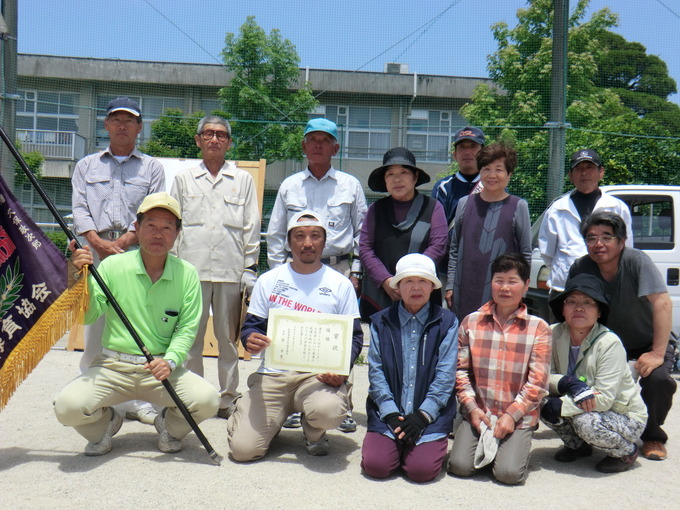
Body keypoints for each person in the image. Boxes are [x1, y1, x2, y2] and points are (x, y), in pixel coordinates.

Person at [54, 192, 220, 456]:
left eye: (167, 227)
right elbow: (86, 316)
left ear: (177, 233)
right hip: (112, 365)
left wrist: (171, 360)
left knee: (208, 401)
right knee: (67, 408)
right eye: (151, 225)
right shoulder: (112, 266)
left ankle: (167, 425)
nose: (158, 233)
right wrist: (77, 279)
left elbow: (187, 328)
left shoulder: (187, 274)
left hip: (160, 368)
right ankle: (107, 423)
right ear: (137, 229)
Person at [228, 211, 364, 461]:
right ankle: (263, 417)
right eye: (299, 236)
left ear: (325, 241)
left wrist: (342, 369)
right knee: (243, 451)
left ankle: (314, 431)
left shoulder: (340, 284)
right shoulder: (269, 280)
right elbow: (252, 327)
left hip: (317, 376)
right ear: (289, 242)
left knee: (328, 411)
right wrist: (250, 339)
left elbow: (354, 338)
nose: (307, 243)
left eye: (315, 236)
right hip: (274, 375)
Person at [267, 118, 366, 433]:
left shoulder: (350, 185)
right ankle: (299, 402)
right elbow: (275, 234)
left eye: (325, 140)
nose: (319, 145)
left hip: (338, 269)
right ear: (304, 146)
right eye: (313, 139)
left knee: (340, 338)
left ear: (335, 147)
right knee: (298, 335)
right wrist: (276, 277)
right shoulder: (290, 185)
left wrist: (357, 272)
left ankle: (341, 402)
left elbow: (363, 233)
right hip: (295, 272)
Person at [71, 96, 165, 425]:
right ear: (106, 124)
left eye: (130, 120)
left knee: (137, 319)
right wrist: (96, 242)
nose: (122, 125)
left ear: (139, 127)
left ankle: (140, 399)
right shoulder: (86, 166)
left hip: (136, 251)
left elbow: (153, 211)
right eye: (116, 119)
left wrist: (124, 241)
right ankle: (95, 391)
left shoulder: (152, 167)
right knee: (96, 321)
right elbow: (80, 209)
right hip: (94, 251)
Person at [171, 115, 260, 420]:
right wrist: (171, 265)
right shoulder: (183, 179)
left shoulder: (243, 180)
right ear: (198, 140)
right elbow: (174, 225)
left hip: (230, 270)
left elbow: (251, 224)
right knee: (190, 337)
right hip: (190, 271)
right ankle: (197, 395)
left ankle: (228, 396)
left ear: (229, 142)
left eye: (221, 135)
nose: (214, 139)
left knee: (228, 339)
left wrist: (250, 267)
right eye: (208, 133)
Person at [568, 210, 676, 461]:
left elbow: (662, 303)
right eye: (591, 238)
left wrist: (658, 353)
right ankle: (582, 435)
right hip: (605, 343)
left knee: (659, 380)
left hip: (648, 340)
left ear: (622, 240)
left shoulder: (637, 261)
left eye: (607, 236)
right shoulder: (581, 266)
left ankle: (653, 436)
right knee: (576, 377)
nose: (599, 243)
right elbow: (574, 307)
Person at [448, 253, 551, 485]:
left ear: (525, 286)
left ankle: (508, 448)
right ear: (491, 283)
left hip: (518, 415)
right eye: (499, 280)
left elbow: (538, 383)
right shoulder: (471, 322)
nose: (505, 288)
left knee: (508, 474)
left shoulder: (539, 328)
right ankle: (489, 446)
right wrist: (472, 409)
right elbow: (460, 372)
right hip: (479, 412)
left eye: (512, 281)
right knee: (460, 466)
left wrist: (511, 416)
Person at [362, 253, 458, 483]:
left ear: (433, 286)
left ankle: (417, 447)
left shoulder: (447, 322)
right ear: (398, 286)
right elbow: (376, 372)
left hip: (429, 416)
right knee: (377, 466)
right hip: (389, 414)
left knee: (421, 471)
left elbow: (446, 375)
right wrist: (391, 413)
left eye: (423, 281)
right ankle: (394, 445)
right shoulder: (380, 321)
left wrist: (423, 416)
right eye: (408, 281)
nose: (416, 287)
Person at [540, 274, 647, 473]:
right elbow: (542, 375)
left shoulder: (609, 343)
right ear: (563, 308)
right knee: (540, 401)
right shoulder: (552, 333)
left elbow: (605, 399)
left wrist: (561, 404)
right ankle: (578, 446)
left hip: (623, 414)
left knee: (584, 422)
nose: (578, 307)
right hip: (582, 402)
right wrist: (566, 382)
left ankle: (626, 451)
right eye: (571, 301)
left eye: (588, 302)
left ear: (599, 311)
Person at [359, 147, 447, 321]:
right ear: (384, 181)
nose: (397, 179)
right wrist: (386, 281)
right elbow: (365, 249)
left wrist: (412, 279)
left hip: (421, 291)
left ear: (415, 178)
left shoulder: (433, 207)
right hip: (381, 293)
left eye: (403, 172)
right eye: (390, 174)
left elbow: (438, 246)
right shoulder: (375, 210)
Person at [445, 143, 531, 321]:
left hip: (503, 291)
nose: (492, 175)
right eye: (486, 169)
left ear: (509, 175)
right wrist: (450, 285)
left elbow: (525, 253)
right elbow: (454, 248)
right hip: (465, 287)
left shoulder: (518, 206)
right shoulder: (464, 203)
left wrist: (521, 289)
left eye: (499, 169)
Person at [538, 149, 633, 293]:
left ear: (601, 172)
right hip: (564, 288)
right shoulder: (557, 209)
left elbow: (627, 247)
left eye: (590, 167)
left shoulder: (617, 207)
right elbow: (547, 252)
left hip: (607, 288)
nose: (584, 173)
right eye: (578, 168)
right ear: (570, 175)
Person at [431, 127, 485, 289]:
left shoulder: (493, 184)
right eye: (462, 147)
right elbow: (437, 230)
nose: (467, 152)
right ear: (455, 154)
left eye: (473, 146)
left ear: (483, 153)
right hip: (447, 270)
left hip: (484, 268)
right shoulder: (443, 187)